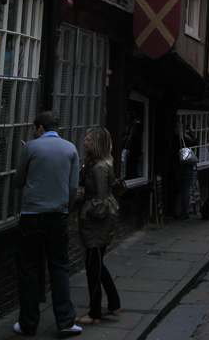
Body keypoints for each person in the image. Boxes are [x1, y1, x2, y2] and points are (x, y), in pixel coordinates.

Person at [13, 111, 82, 337]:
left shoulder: (30, 148)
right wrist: (67, 207)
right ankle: (64, 321)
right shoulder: (71, 149)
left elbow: (18, 182)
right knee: (60, 268)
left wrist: (28, 154)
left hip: (32, 216)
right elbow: (73, 187)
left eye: (34, 129)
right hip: (58, 216)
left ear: (40, 128)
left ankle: (28, 324)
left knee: (29, 269)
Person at [76, 127, 121, 326]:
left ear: (96, 144)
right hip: (97, 222)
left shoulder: (100, 167)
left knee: (93, 266)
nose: (84, 142)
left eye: (88, 140)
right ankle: (114, 304)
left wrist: (86, 209)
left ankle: (94, 313)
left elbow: (101, 201)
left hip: (97, 223)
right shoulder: (95, 163)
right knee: (97, 264)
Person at [170, 123, 198, 219]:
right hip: (186, 166)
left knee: (180, 189)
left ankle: (177, 211)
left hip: (176, 166)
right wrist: (191, 131)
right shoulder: (185, 139)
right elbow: (195, 142)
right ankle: (184, 212)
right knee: (186, 189)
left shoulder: (173, 139)